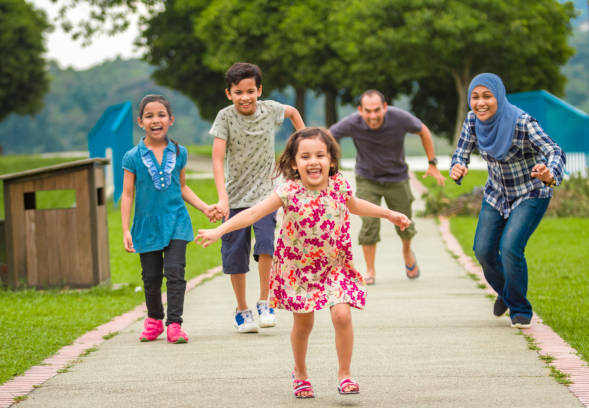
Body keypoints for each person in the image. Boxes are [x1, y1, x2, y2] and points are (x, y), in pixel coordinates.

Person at [196, 127, 410, 398]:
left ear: (331, 161)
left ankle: (345, 374)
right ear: (294, 164)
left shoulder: (339, 185)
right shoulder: (288, 192)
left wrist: (389, 214)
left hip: (335, 267)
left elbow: (355, 205)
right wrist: (219, 231)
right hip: (300, 272)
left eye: (320, 155)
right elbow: (252, 213)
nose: (313, 161)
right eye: (305, 156)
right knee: (303, 325)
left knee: (342, 314)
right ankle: (300, 372)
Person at [450, 73, 566, 329]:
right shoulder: (472, 120)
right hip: (497, 193)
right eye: (475, 97)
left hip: (531, 192)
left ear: (499, 97)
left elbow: (555, 150)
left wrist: (549, 174)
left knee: (511, 247)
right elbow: (461, 152)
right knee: (482, 250)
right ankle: (507, 294)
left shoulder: (522, 123)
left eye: (487, 96)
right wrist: (457, 166)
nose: (480, 103)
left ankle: (520, 310)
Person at [210, 62, 305, 333]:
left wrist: (304, 142)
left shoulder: (270, 110)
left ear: (259, 90)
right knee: (235, 257)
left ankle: (266, 301)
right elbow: (217, 160)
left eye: (250, 91)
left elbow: (293, 112)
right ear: (229, 93)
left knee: (266, 245)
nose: (245, 97)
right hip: (235, 197)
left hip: (266, 194)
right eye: (238, 92)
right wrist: (222, 198)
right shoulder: (225, 117)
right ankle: (242, 310)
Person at [121, 94, 216, 343]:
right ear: (140, 122)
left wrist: (205, 208)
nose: (156, 120)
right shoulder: (132, 157)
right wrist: (125, 229)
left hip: (176, 221)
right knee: (151, 277)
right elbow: (127, 194)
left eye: (161, 115)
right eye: (149, 116)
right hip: (146, 225)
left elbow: (182, 187)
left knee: (175, 273)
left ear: (171, 120)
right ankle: (154, 320)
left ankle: (174, 324)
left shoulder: (179, 152)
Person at [329, 90, 445, 285]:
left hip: (397, 178)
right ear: (360, 110)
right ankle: (370, 270)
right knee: (369, 225)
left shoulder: (399, 118)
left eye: (377, 110)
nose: (372, 116)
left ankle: (407, 252)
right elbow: (329, 136)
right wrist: (329, 166)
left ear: (385, 107)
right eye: (368, 111)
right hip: (367, 178)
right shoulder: (352, 123)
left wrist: (432, 163)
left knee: (404, 221)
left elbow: (423, 130)